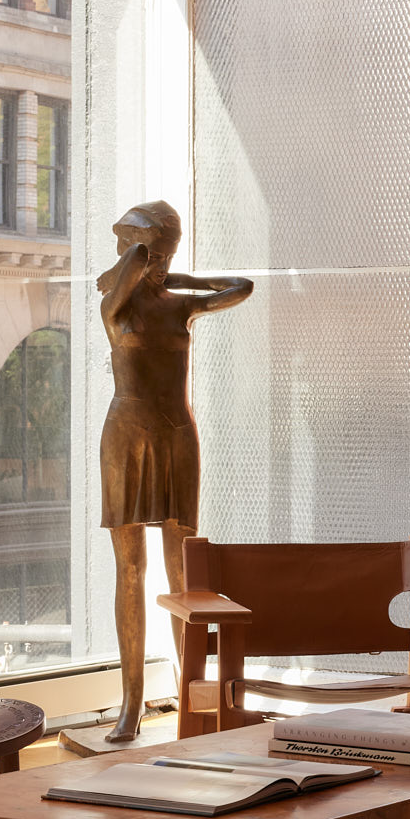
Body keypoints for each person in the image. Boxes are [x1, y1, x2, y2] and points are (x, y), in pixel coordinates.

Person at [97, 199, 252, 742]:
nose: (159, 261)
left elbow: (241, 286)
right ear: (130, 249)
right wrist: (140, 259)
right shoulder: (116, 309)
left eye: (168, 252)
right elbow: (126, 278)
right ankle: (131, 701)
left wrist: (180, 274)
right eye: (152, 251)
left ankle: (192, 694)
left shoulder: (179, 306)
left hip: (178, 436)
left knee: (182, 566)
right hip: (127, 438)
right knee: (130, 569)